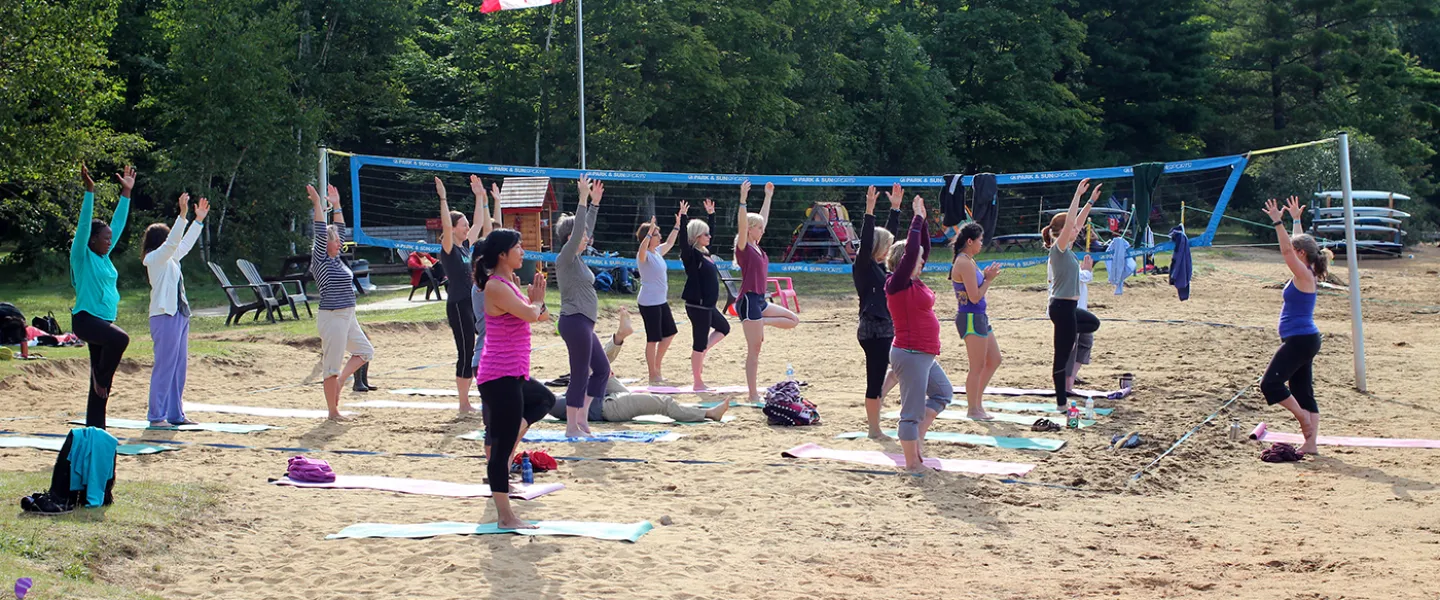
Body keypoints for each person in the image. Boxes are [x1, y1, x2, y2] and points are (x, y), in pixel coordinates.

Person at [475, 228, 551, 529]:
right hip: (498, 376)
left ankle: (515, 426)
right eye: (518, 247)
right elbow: (533, 314)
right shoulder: (495, 286)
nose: (523, 251)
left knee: (545, 399)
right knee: (501, 449)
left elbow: (538, 315)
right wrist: (535, 302)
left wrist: (535, 303)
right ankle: (506, 517)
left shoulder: (509, 284)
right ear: (503, 254)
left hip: (514, 373)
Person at [548, 308, 730, 424]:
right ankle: (708, 414)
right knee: (664, 403)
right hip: (608, 407)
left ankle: (619, 336)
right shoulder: (553, 403)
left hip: (603, 394)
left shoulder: (555, 397)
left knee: (595, 364)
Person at [885, 196, 951, 471]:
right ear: (905, 262)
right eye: (918, 260)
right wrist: (915, 218)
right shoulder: (896, 284)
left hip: (923, 353)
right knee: (909, 414)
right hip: (910, 353)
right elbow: (914, 251)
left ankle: (918, 437)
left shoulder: (914, 282)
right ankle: (912, 463)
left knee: (943, 393)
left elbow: (920, 249)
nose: (923, 262)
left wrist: (922, 220)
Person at [1259, 196, 1328, 455]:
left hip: (1301, 340)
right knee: (1302, 390)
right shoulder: (1306, 268)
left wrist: (1278, 221)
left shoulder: (1303, 273)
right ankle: (1310, 445)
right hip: (1303, 339)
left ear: (1301, 255)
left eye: (1295, 251)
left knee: (1270, 384)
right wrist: (1296, 220)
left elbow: (1289, 250)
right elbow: (1297, 246)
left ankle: (1303, 420)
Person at [70, 164, 136, 429]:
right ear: (92, 239)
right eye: (105, 238)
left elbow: (118, 224)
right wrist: (90, 192)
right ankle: (100, 375)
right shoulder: (82, 257)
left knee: (100, 390)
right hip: (86, 320)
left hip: (103, 321)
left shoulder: (104, 258)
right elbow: (84, 225)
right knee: (121, 340)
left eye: (110, 239)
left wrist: (126, 193)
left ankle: (96, 430)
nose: (110, 241)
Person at [307, 184, 374, 421]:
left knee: (365, 352)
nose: (339, 243)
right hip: (333, 315)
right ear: (326, 244)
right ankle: (333, 411)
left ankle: (342, 382)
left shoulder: (337, 260)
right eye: (335, 241)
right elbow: (319, 230)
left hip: (348, 315)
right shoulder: (321, 260)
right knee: (331, 366)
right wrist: (317, 204)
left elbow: (341, 229)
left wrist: (337, 205)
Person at [141, 193, 208, 427]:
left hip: (179, 314)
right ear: (161, 240)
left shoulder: (170, 259)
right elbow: (173, 244)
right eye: (168, 236)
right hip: (163, 316)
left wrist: (198, 221)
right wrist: (182, 215)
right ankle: (156, 416)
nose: (172, 240)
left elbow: (184, 245)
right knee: (165, 366)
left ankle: (175, 414)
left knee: (179, 367)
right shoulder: (155, 258)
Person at [555, 175, 611, 438]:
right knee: (579, 373)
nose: (588, 238)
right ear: (570, 238)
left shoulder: (577, 258)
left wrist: (595, 205)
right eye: (582, 236)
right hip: (574, 321)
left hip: (584, 323)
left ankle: (582, 418)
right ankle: (570, 427)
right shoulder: (565, 257)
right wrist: (582, 198)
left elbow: (584, 228)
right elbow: (579, 229)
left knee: (601, 370)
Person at [735, 180, 800, 403]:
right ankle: (752, 395)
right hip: (748, 300)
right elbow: (743, 225)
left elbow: (763, 219)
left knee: (793, 319)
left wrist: (768, 197)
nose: (762, 230)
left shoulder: (757, 246)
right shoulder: (743, 247)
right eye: (759, 227)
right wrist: (743, 200)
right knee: (755, 350)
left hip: (760, 302)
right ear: (750, 229)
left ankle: (760, 322)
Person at [1043, 179, 1103, 409]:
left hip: (1069, 309)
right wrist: (1077, 195)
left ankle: (1069, 336)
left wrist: (1090, 201)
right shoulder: (1057, 250)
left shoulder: (1066, 249)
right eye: (1072, 230)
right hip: (1060, 307)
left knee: (1092, 324)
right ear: (1061, 233)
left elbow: (1075, 222)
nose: (1076, 231)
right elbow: (1070, 221)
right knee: (1062, 353)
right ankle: (1061, 403)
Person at [435, 176, 492, 414]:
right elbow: (447, 225)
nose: (467, 228)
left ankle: (477, 396)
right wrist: (444, 198)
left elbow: (479, 223)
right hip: (458, 304)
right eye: (463, 224)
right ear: (454, 227)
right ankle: (463, 403)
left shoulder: (466, 246)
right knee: (466, 350)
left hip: (471, 304)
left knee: (484, 343)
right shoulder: (448, 248)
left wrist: (480, 196)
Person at [854, 184, 903, 439]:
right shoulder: (863, 265)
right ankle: (874, 429)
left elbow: (889, 237)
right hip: (872, 331)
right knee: (874, 379)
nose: (889, 250)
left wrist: (895, 209)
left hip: (887, 329)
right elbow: (867, 241)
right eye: (885, 246)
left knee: (898, 369)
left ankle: (879, 402)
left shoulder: (881, 267)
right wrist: (869, 210)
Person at [950, 221, 1002, 421]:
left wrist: (987, 276)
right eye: (980, 240)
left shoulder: (968, 260)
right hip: (971, 317)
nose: (982, 243)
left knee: (994, 359)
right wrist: (988, 280)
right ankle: (973, 408)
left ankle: (977, 402)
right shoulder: (963, 262)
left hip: (979, 316)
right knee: (977, 366)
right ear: (970, 241)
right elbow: (974, 297)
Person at [679, 198, 730, 391]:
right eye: (705, 234)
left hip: (708, 305)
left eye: (709, 233)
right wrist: (683, 218)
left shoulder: (706, 253)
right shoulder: (691, 255)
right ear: (697, 236)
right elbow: (683, 241)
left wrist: (712, 215)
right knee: (698, 343)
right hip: (697, 305)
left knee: (724, 327)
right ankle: (697, 383)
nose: (709, 236)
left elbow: (713, 235)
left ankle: (701, 352)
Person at [635, 204, 684, 384]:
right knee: (653, 339)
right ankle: (652, 375)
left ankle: (656, 367)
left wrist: (677, 224)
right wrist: (649, 232)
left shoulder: (657, 252)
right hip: (649, 303)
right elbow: (641, 250)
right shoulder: (644, 254)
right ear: (648, 238)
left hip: (660, 301)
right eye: (657, 234)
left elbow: (670, 242)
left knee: (670, 332)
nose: (659, 237)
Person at [1070, 255, 1096, 386]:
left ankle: (1072, 376)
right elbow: (1078, 277)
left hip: (1080, 309)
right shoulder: (1060, 254)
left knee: (1085, 341)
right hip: (1070, 309)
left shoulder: (1069, 255)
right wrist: (1087, 271)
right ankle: (1067, 378)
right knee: (1071, 346)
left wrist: (1085, 271)